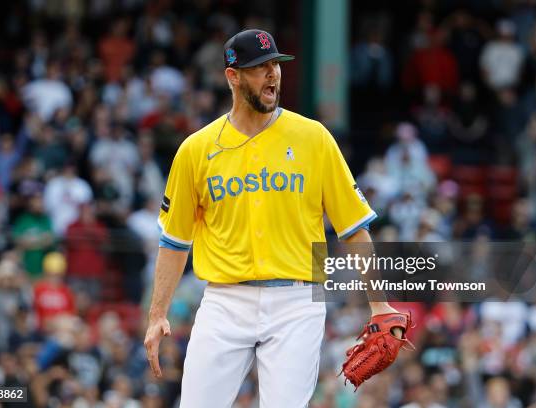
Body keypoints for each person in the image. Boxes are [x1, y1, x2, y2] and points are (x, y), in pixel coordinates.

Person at [144, 29, 403, 407]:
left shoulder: (313, 137)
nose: (272, 75)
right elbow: (175, 241)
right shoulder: (196, 150)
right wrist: (157, 314)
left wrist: (379, 303)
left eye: (275, 65)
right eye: (259, 67)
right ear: (233, 77)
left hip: (299, 299)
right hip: (224, 299)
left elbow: (354, 229)